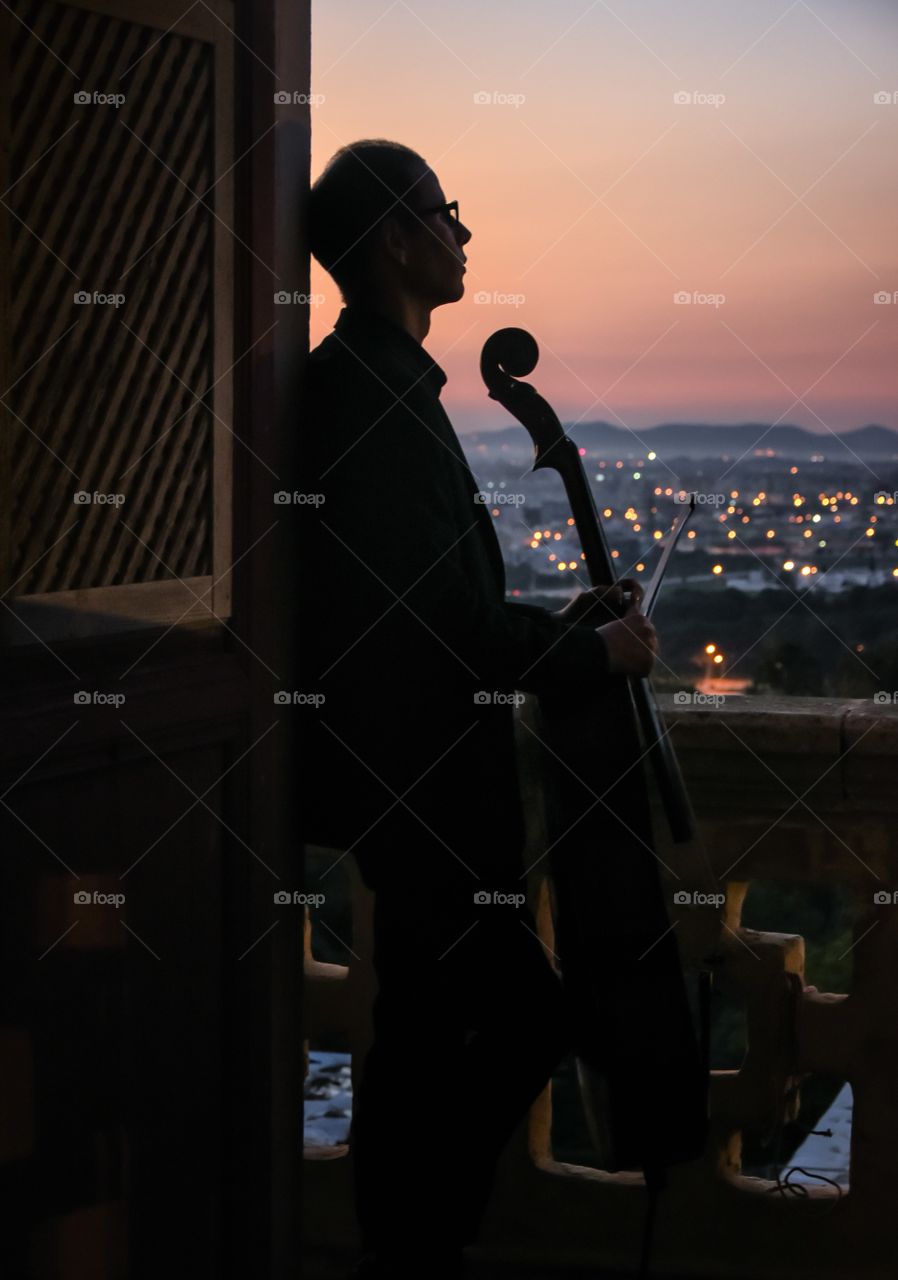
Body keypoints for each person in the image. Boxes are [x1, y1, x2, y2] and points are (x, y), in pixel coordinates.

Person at [299, 139, 658, 1280]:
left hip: (409, 787)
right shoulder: (374, 397)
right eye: (443, 214)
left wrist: (565, 623)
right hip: (433, 794)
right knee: (506, 1025)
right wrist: (590, 649)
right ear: (398, 239)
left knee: (418, 1043)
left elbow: (439, 603)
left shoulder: (372, 380)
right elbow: (445, 625)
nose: (463, 234)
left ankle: (406, 1240)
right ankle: (416, 1241)